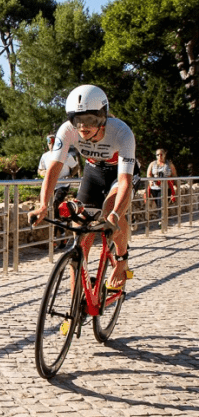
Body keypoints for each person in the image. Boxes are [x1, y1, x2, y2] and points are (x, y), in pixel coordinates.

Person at [29, 84, 137, 290]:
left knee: (110, 212)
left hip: (118, 174)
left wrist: (115, 214)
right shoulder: (67, 130)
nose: (83, 127)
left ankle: (122, 259)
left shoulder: (121, 132)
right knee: (79, 238)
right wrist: (43, 205)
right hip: (94, 172)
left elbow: (125, 182)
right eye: (77, 120)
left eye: (90, 120)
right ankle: (73, 312)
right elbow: (53, 168)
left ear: (103, 117)